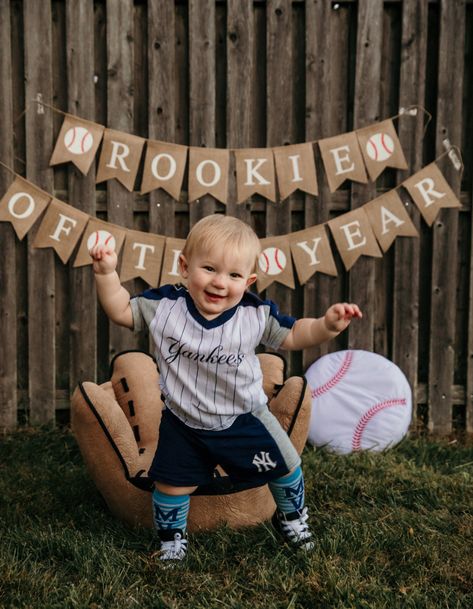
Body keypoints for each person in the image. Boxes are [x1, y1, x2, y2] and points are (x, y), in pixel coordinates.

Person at [89, 214, 362, 564]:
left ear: (248, 281)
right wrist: (105, 273)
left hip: (244, 417)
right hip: (183, 421)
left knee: (286, 465)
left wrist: (327, 325)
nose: (220, 282)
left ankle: (292, 519)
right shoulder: (165, 307)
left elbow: (294, 335)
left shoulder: (254, 314)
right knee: (171, 486)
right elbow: (122, 311)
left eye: (234, 275)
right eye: (209, 269)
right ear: (185, 267)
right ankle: (172, 542)